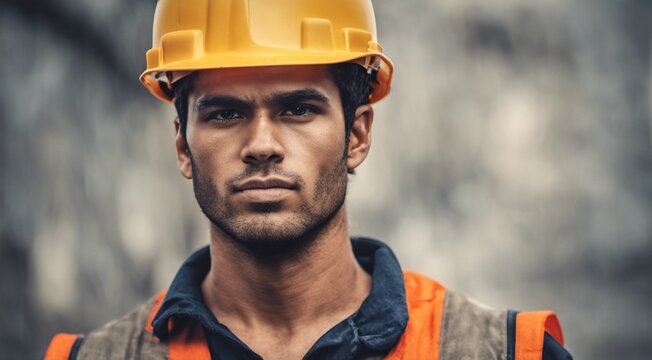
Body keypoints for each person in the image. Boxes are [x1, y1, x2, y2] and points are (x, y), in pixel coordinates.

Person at [44, 0, 572, 359]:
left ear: (358, 135)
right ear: (183, 144)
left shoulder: (504, 351)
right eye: (225, 114)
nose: (261, 145)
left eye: (298, 109)